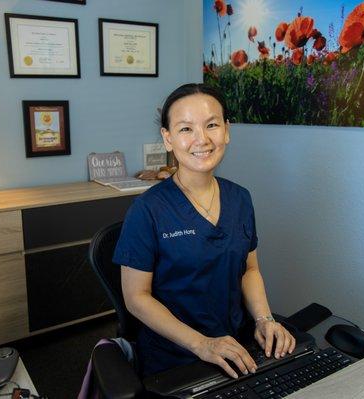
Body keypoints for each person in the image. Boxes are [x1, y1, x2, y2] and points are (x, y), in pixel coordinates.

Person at [112, 83, 295, 379]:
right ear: (168, 138)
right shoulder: (147, 211)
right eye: (186, 129)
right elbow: (136, 298)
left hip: (237, 346)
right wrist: (202, 344)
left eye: (212, 125)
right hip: (175, 358)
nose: (202, 139)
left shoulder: (240, 198)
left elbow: (249, 270)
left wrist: (264, 319)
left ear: (227, 130)